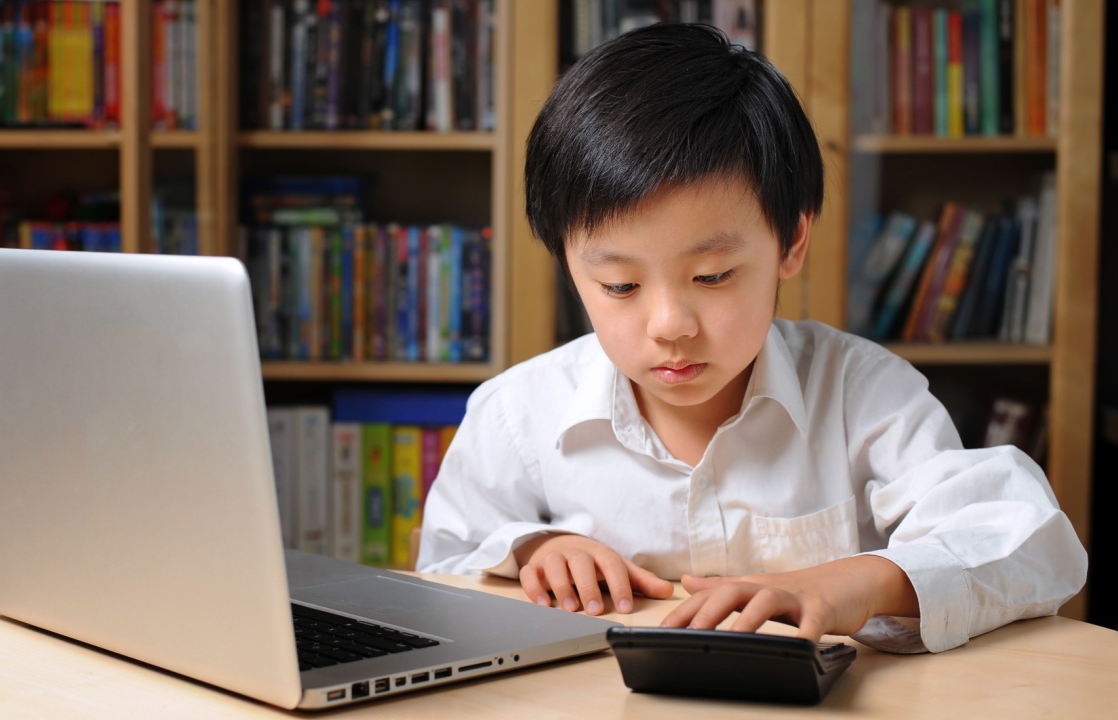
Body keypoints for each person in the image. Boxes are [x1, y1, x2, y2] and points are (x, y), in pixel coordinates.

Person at [416, 22, 1086, 653]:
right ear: (569, 264)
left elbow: (1032, 542)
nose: (670, 325)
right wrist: (530, 552)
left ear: (791, 242)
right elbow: (438, 575)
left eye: (712, 275)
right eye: (620, 286)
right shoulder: (515, 414)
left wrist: (856, 581)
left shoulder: (862, 393)